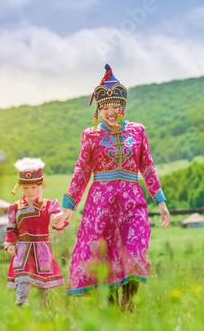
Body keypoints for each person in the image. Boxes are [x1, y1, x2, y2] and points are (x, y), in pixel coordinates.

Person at [52, 64, 170, 310]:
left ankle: (129, 302)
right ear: (99, 109)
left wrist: (160, 201)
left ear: (123, 107)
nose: (111, 112)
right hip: (100, 208)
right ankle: (112, 311)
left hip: (133, 204)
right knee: (103, 260)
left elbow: (147, 166)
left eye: (115, 106)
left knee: (135, 254)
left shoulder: (138, 131)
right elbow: (82, 172)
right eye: (105, 107)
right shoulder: (91, 135)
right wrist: (68, 207)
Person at [4, 157, 67, 306]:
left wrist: (58, 220)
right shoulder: (15, 207)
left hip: (42, 252)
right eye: (26, 188)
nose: (30, 191)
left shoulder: (49, 205)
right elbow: (11, 229)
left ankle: (41, 311)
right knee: (23, 279)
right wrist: (10, 244)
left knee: (42, 288)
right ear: (20, 187)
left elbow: (57, 222)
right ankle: (21, 304)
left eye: (33, 187)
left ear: (41, 184)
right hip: (23, 252)